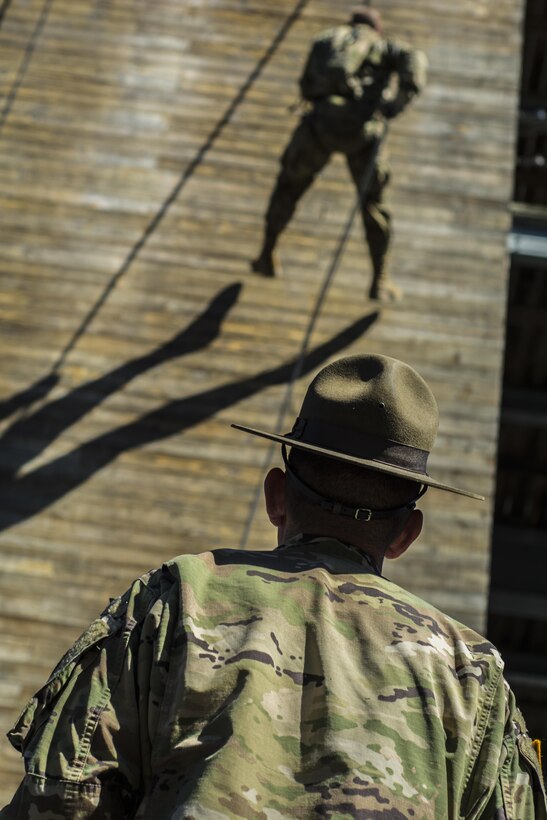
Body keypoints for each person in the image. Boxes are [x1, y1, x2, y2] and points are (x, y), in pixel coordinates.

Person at [2, 354, 546, 818]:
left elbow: (62, 798)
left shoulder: (172, 600)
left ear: (276, 495)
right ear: (406, 534)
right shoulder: (471, 676)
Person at [252, 6, 427, 302]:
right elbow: (415, 59)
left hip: (319, 128)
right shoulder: (384, 46)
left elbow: (306, 86)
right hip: (362, 134)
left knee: (288, 187)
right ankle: (379, 278)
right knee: (373, 205)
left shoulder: (325, 39)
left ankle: (267, 252)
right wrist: (396, 103)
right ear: (377, 28)